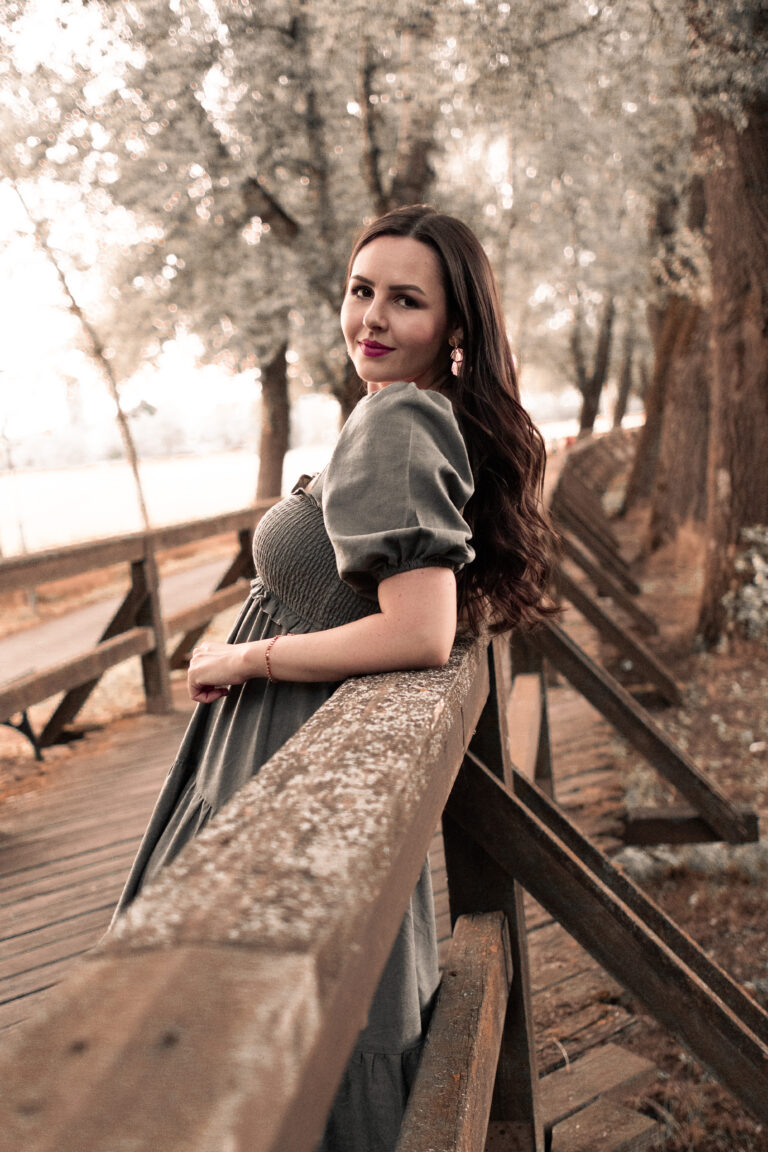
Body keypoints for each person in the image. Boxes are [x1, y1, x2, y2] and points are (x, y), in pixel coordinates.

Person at [111, 204, 555, 1151]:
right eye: (361, 291)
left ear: (456, 325)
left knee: (227, 1028)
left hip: (285, 754)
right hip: (291, 749)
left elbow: (421, 630)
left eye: (406, 300)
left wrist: (247, 656)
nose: (372, 319)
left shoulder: (400, 420)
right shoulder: (411, 414)